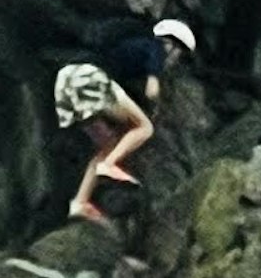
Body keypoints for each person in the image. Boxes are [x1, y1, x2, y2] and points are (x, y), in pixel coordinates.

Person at [53, 14, 195, 222]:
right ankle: (109, 166)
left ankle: (80, 202)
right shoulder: (156, 48)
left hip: (66, 81)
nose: (176, 59)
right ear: (171, 43)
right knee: (144, 128)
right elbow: (151, 91)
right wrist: (154, 107)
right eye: (179, 53)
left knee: (109, 145)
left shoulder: (134, 46)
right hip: (90, 77)